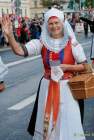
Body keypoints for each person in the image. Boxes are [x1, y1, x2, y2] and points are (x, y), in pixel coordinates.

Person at [0, 8, 87, 140]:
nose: (54, 26)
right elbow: (19, 50)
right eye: (50, 23)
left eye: (57, 23)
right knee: (47, 119)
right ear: (46, 25)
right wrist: (10, 35)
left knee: (68, 122)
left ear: (63, 23)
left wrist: (67, 67)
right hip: (47, 88)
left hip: (68, 89)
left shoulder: (73, 44)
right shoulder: (41, 43)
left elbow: (86, 66)